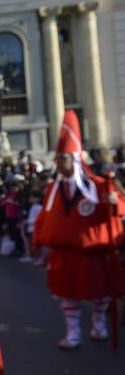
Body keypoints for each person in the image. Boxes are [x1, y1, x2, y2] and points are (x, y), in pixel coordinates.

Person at [33, 110, 125, 349]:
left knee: (99, 293)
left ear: (73, 160)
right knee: (67, 294)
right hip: (64, 252)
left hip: (94, 252)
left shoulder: (98, 185)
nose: (58, 164)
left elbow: (120, 208)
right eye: (57, 160)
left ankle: (99, 326)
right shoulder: (53, 188)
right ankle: (73, 333)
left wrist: (115, 203)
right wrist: (37, 240)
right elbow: (44, 215)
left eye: (62, 159)